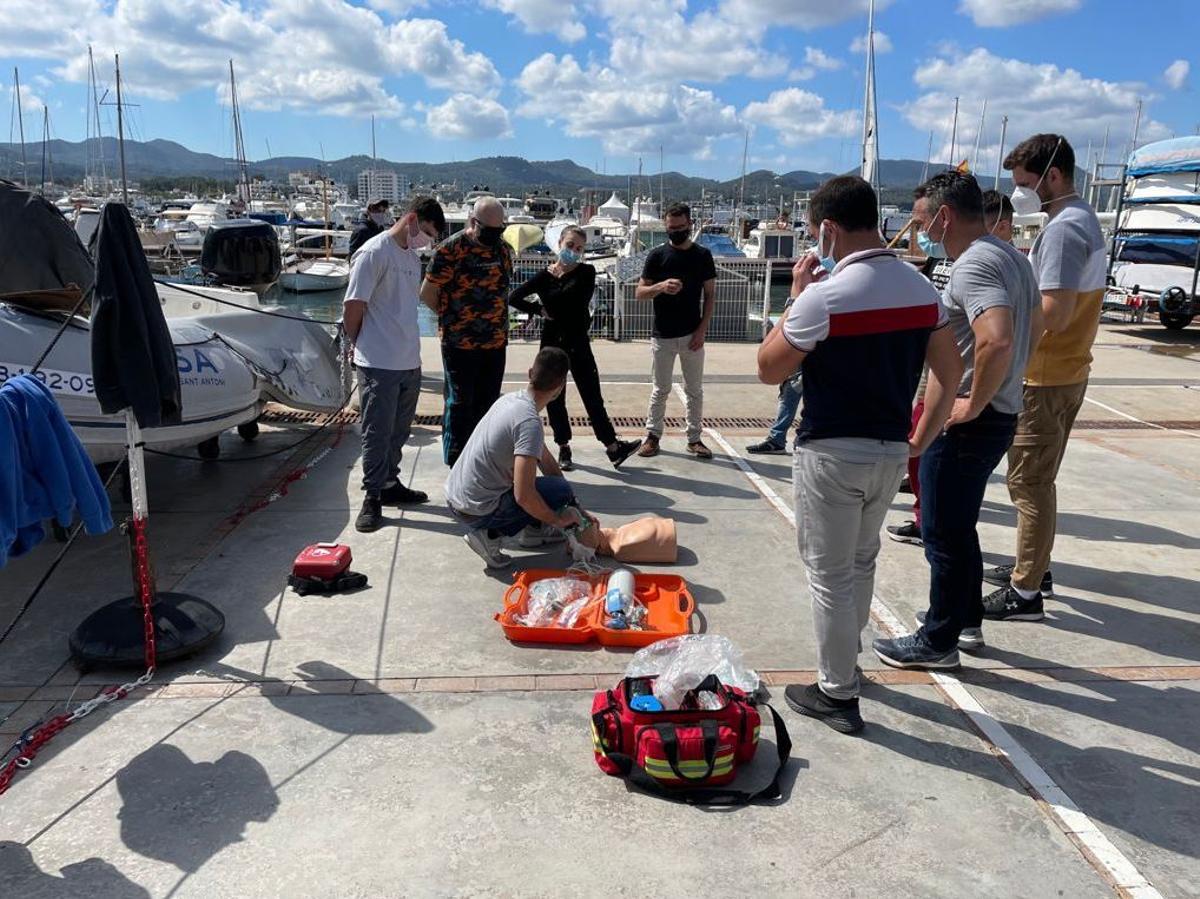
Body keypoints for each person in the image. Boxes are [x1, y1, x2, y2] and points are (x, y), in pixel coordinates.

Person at [756, 175, 962, 734]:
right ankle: (850, 664)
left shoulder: (824, 298)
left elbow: (769, 367)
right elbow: (950, 370)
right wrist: (922, 437)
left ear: (828, 229)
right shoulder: (924, 291)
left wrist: (796, 296)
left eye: (811, 230)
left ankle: (837, 691)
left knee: (828, 575)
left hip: (831, 452)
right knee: (861, 561)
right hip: (891, 450)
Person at [872, 171, 1041, 669]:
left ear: (945, 217)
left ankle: (938, 640)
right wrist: (1004, 389)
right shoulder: (1012, 257)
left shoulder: (973, 267)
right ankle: (964, 619)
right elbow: (1036, 329)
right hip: (1000, 414)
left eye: (922, 220)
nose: (919, 230)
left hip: (970, 421)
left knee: (942, 532)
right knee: (959, 525)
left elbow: (998, 338)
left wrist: (972, 400)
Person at [985, 133, 1106, 621]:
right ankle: (1034, 566)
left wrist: (1007, 346)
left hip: (1044, 374)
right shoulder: (1084, 220)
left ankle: (1026, 592)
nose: (1020, 193)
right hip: (1070, 369)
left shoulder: (1060, 230)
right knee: (1039, 479)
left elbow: (1052, 311)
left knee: (1028, 483)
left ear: (1052, 176)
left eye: (1025, 183)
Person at [343, 195, 446, 533]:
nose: (427, 240)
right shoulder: (374, 253)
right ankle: (372, 496)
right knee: (376, 431)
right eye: (427, 231)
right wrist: (356, 345)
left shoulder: (412, 258)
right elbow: (354, 306)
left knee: (399, 431)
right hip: (377, 361)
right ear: (412, 219)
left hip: (408, 360)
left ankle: (389, 484)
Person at [445, 347, 594, 570]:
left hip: (456, 499)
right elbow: (524, 495)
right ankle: (490, 536)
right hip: (476, 511)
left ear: (530, 373)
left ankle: (534, 530)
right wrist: (558, 520)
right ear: (560, 388)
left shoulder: (511, 400)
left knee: (559, 488)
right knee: (551, 490)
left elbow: (548, 463)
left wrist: (575, 506)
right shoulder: (529, 424)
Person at [508, 226, 642, 470]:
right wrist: (538, 310)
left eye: (579, 249)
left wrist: (551, 294)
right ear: (560, 243)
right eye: (570, 245)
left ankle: (612, 447)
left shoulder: (586, 272)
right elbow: (514, 297)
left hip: (578, 343)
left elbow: (573, 301)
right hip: (551, 346)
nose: (573, 251)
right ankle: (563, 447)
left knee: (592, 396)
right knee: (554, 398)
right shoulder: (543, 276)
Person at [421, 196, 513, 467]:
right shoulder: (450, 250)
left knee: (488, 402)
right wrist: (452, 317)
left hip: (495, 341)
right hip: (459, 342)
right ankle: (457, 460)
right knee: (460, 404)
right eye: (489, 231)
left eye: (499, 231)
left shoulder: (503, 250)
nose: (494, 236)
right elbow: (427, 293)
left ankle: (482, 459)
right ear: (474, 222)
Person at [635, 202, 717, 460]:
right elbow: (639, 292)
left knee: (694, 389)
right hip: (663, 334)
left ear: (690, 224)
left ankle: (694, 438)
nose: (676, 232)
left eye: (680, 228)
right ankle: (653, 436)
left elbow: (711, 295)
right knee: (660, 388)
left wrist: (702, 330)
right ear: (665, 227)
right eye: (671, 228)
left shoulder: (703, 256)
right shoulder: (657, 256)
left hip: (692, 334)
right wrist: (660, 286)